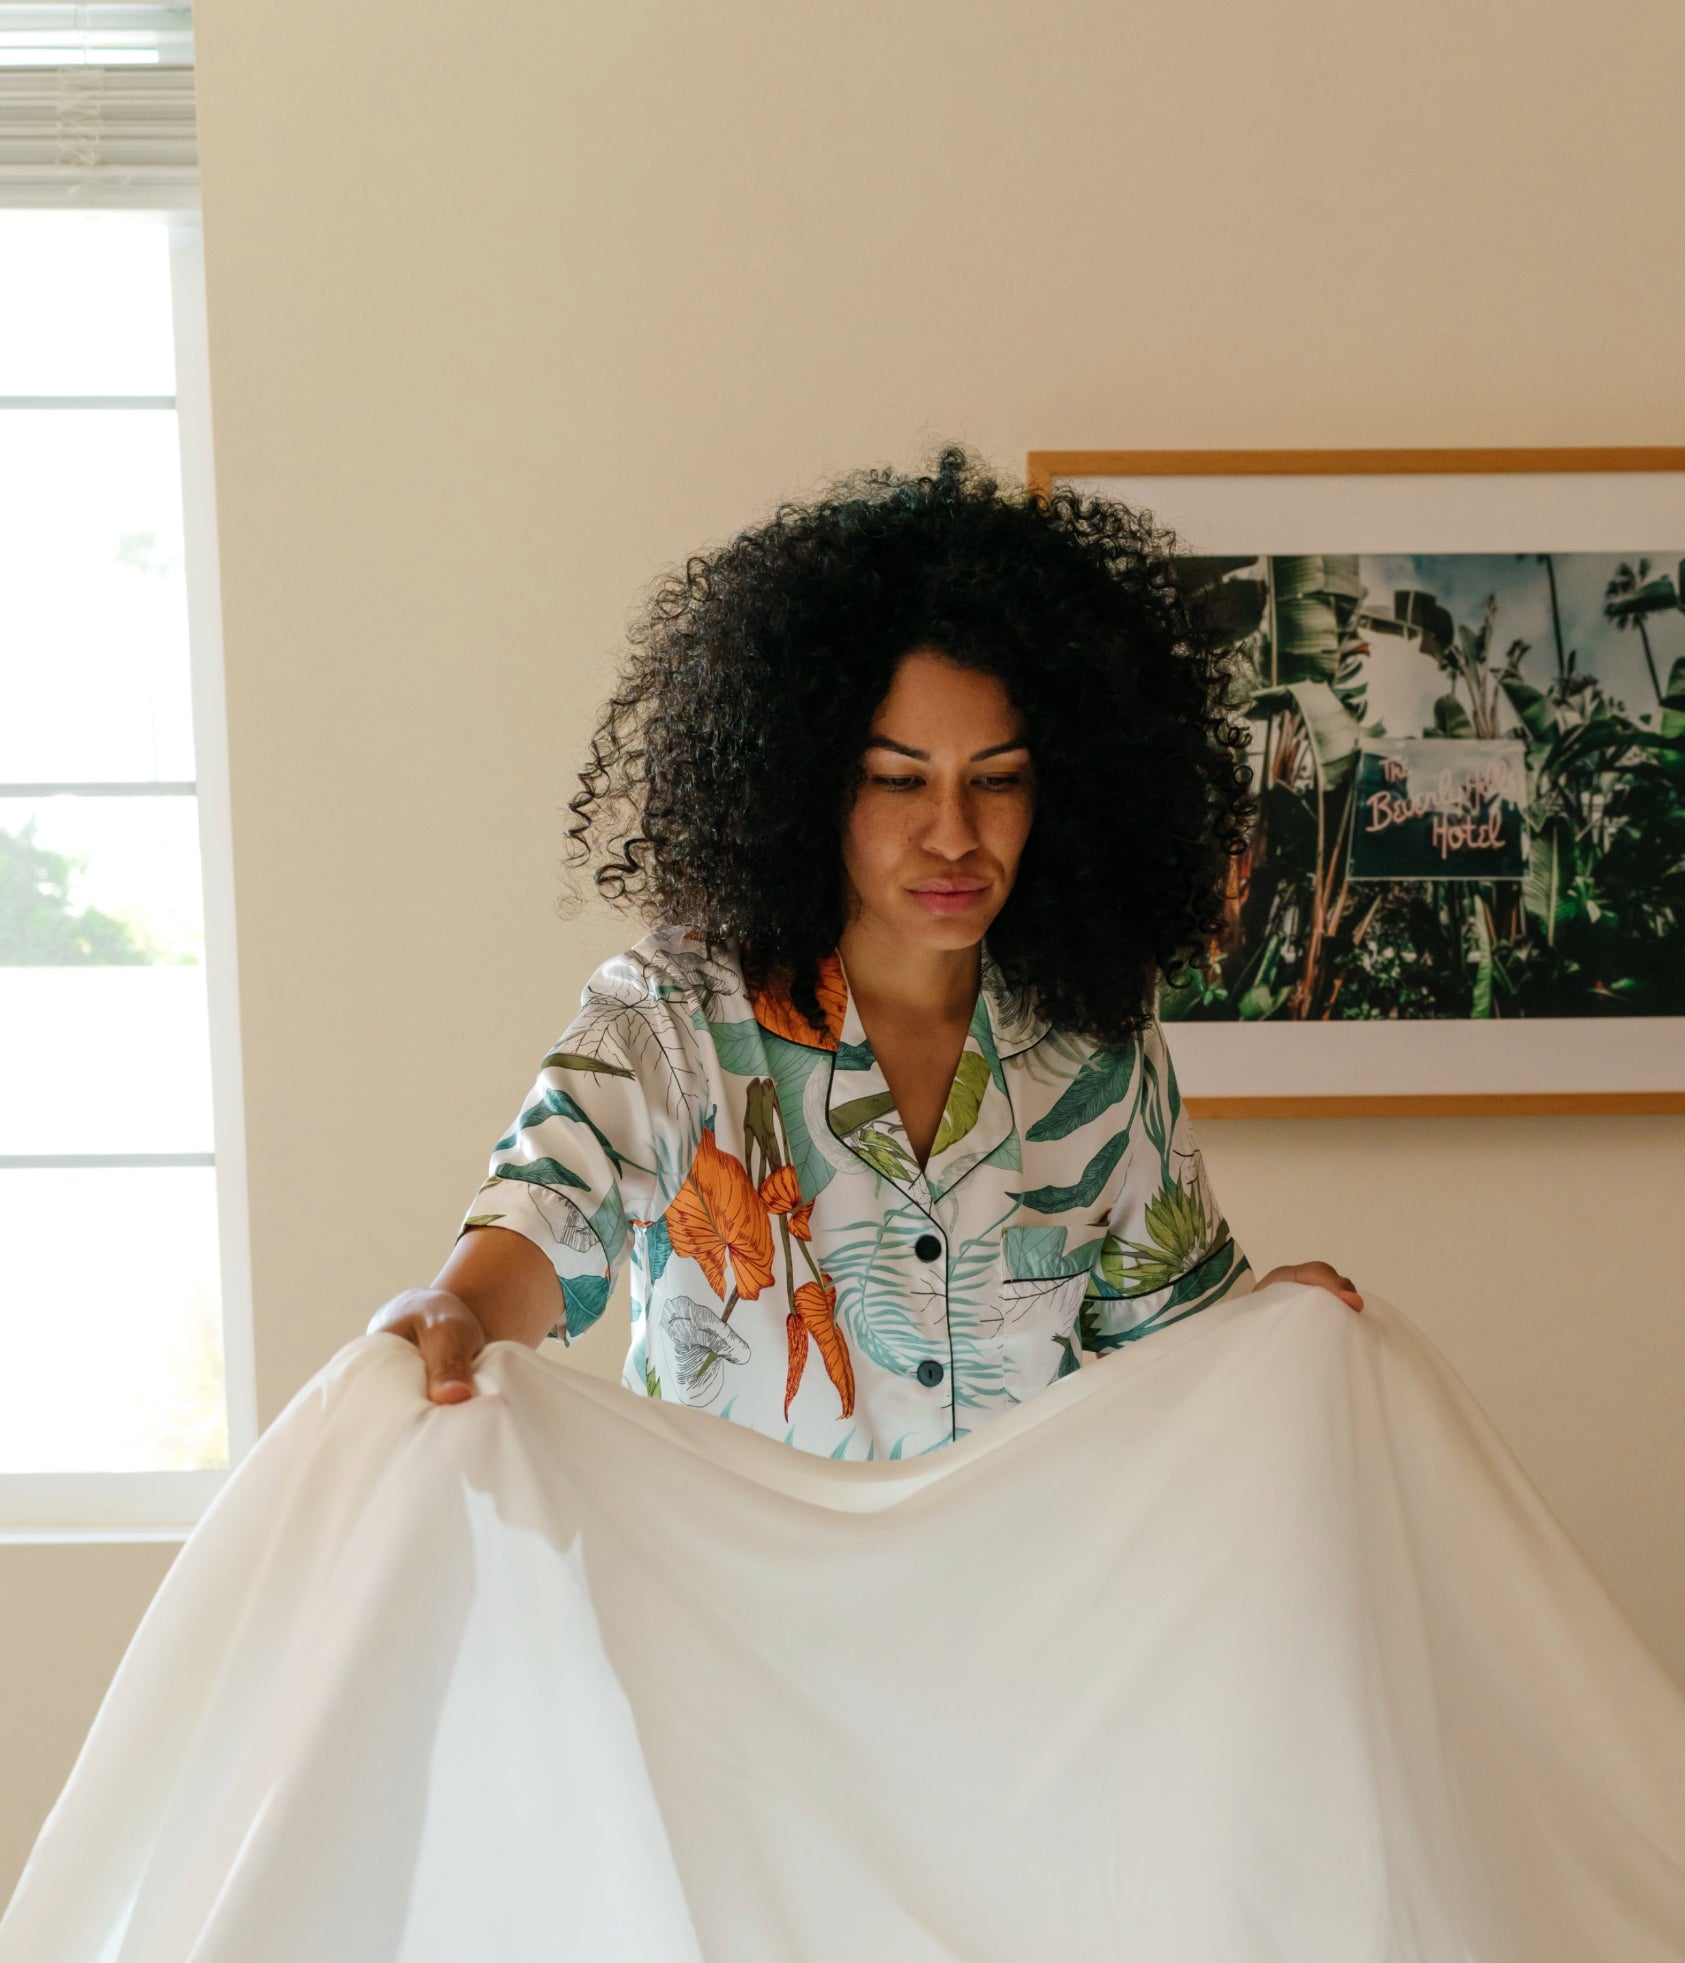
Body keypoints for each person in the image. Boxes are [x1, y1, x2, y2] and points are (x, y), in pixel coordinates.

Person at [372, 454, 1359, 1449]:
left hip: (1017, 1599)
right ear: (805, 781)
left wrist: (1271, 1320)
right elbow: (537, 1226)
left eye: (998, 779)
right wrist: (452, 1307)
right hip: (722, 1600)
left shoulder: (1094, 1040)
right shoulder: (670, 1019)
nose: (953, 833)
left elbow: (1181, 1343)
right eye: (897, 781)